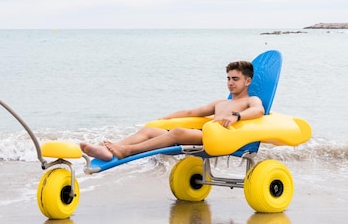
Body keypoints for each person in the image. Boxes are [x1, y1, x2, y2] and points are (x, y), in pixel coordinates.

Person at [81, 61, 264, 161]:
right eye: (228, 78)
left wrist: (237, 116)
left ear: (247, 81)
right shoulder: (221, 102)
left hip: (221, 138)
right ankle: (110, 151)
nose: (230, 82)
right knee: (149, 130)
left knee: (177, 132)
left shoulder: (250, 100)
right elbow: (192, 112)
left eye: (235, 79)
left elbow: (259, 111)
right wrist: (165, 118)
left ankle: (127, 151)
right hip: (204, 134)